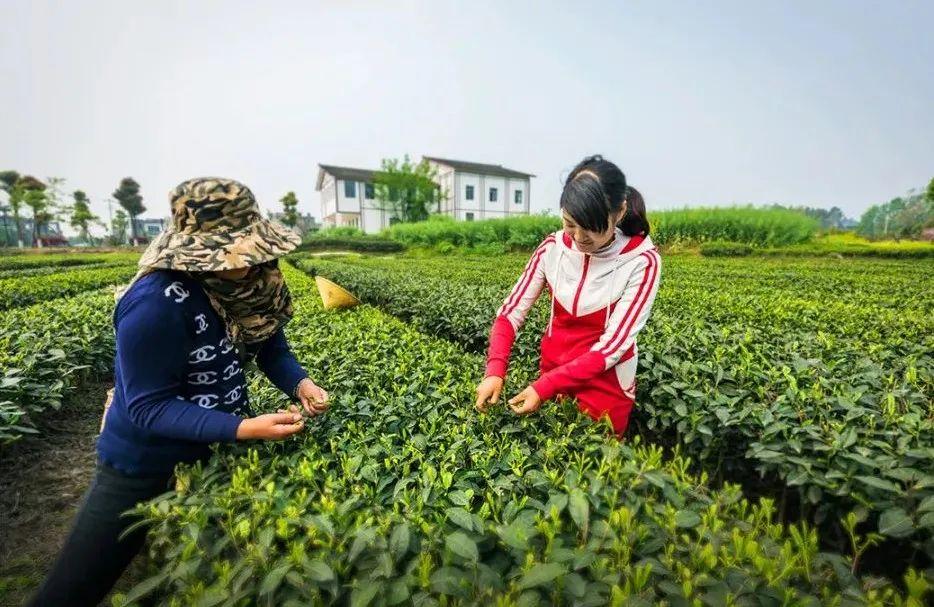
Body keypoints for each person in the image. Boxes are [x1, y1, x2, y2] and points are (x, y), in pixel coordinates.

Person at [30, 178, 329, 606]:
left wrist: (301, 383)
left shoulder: (253, 281)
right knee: (76, 585)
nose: (248, 262)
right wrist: (243, 427)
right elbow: (147, 407)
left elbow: (271, 348)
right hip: (142, 461)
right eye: (235, 253)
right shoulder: (154, 304)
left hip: (211, 450)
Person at [475, 155, 660, 434]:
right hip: (552, 374)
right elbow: (510, 313)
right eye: (569, 224)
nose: (578, 238)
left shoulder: (642, 262)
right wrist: (495, 370)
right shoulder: (552, 248)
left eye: (591, 230)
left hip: (604, 386)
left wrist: (544, 387)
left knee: (592, 467)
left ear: (619, 213)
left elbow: (612, 347)